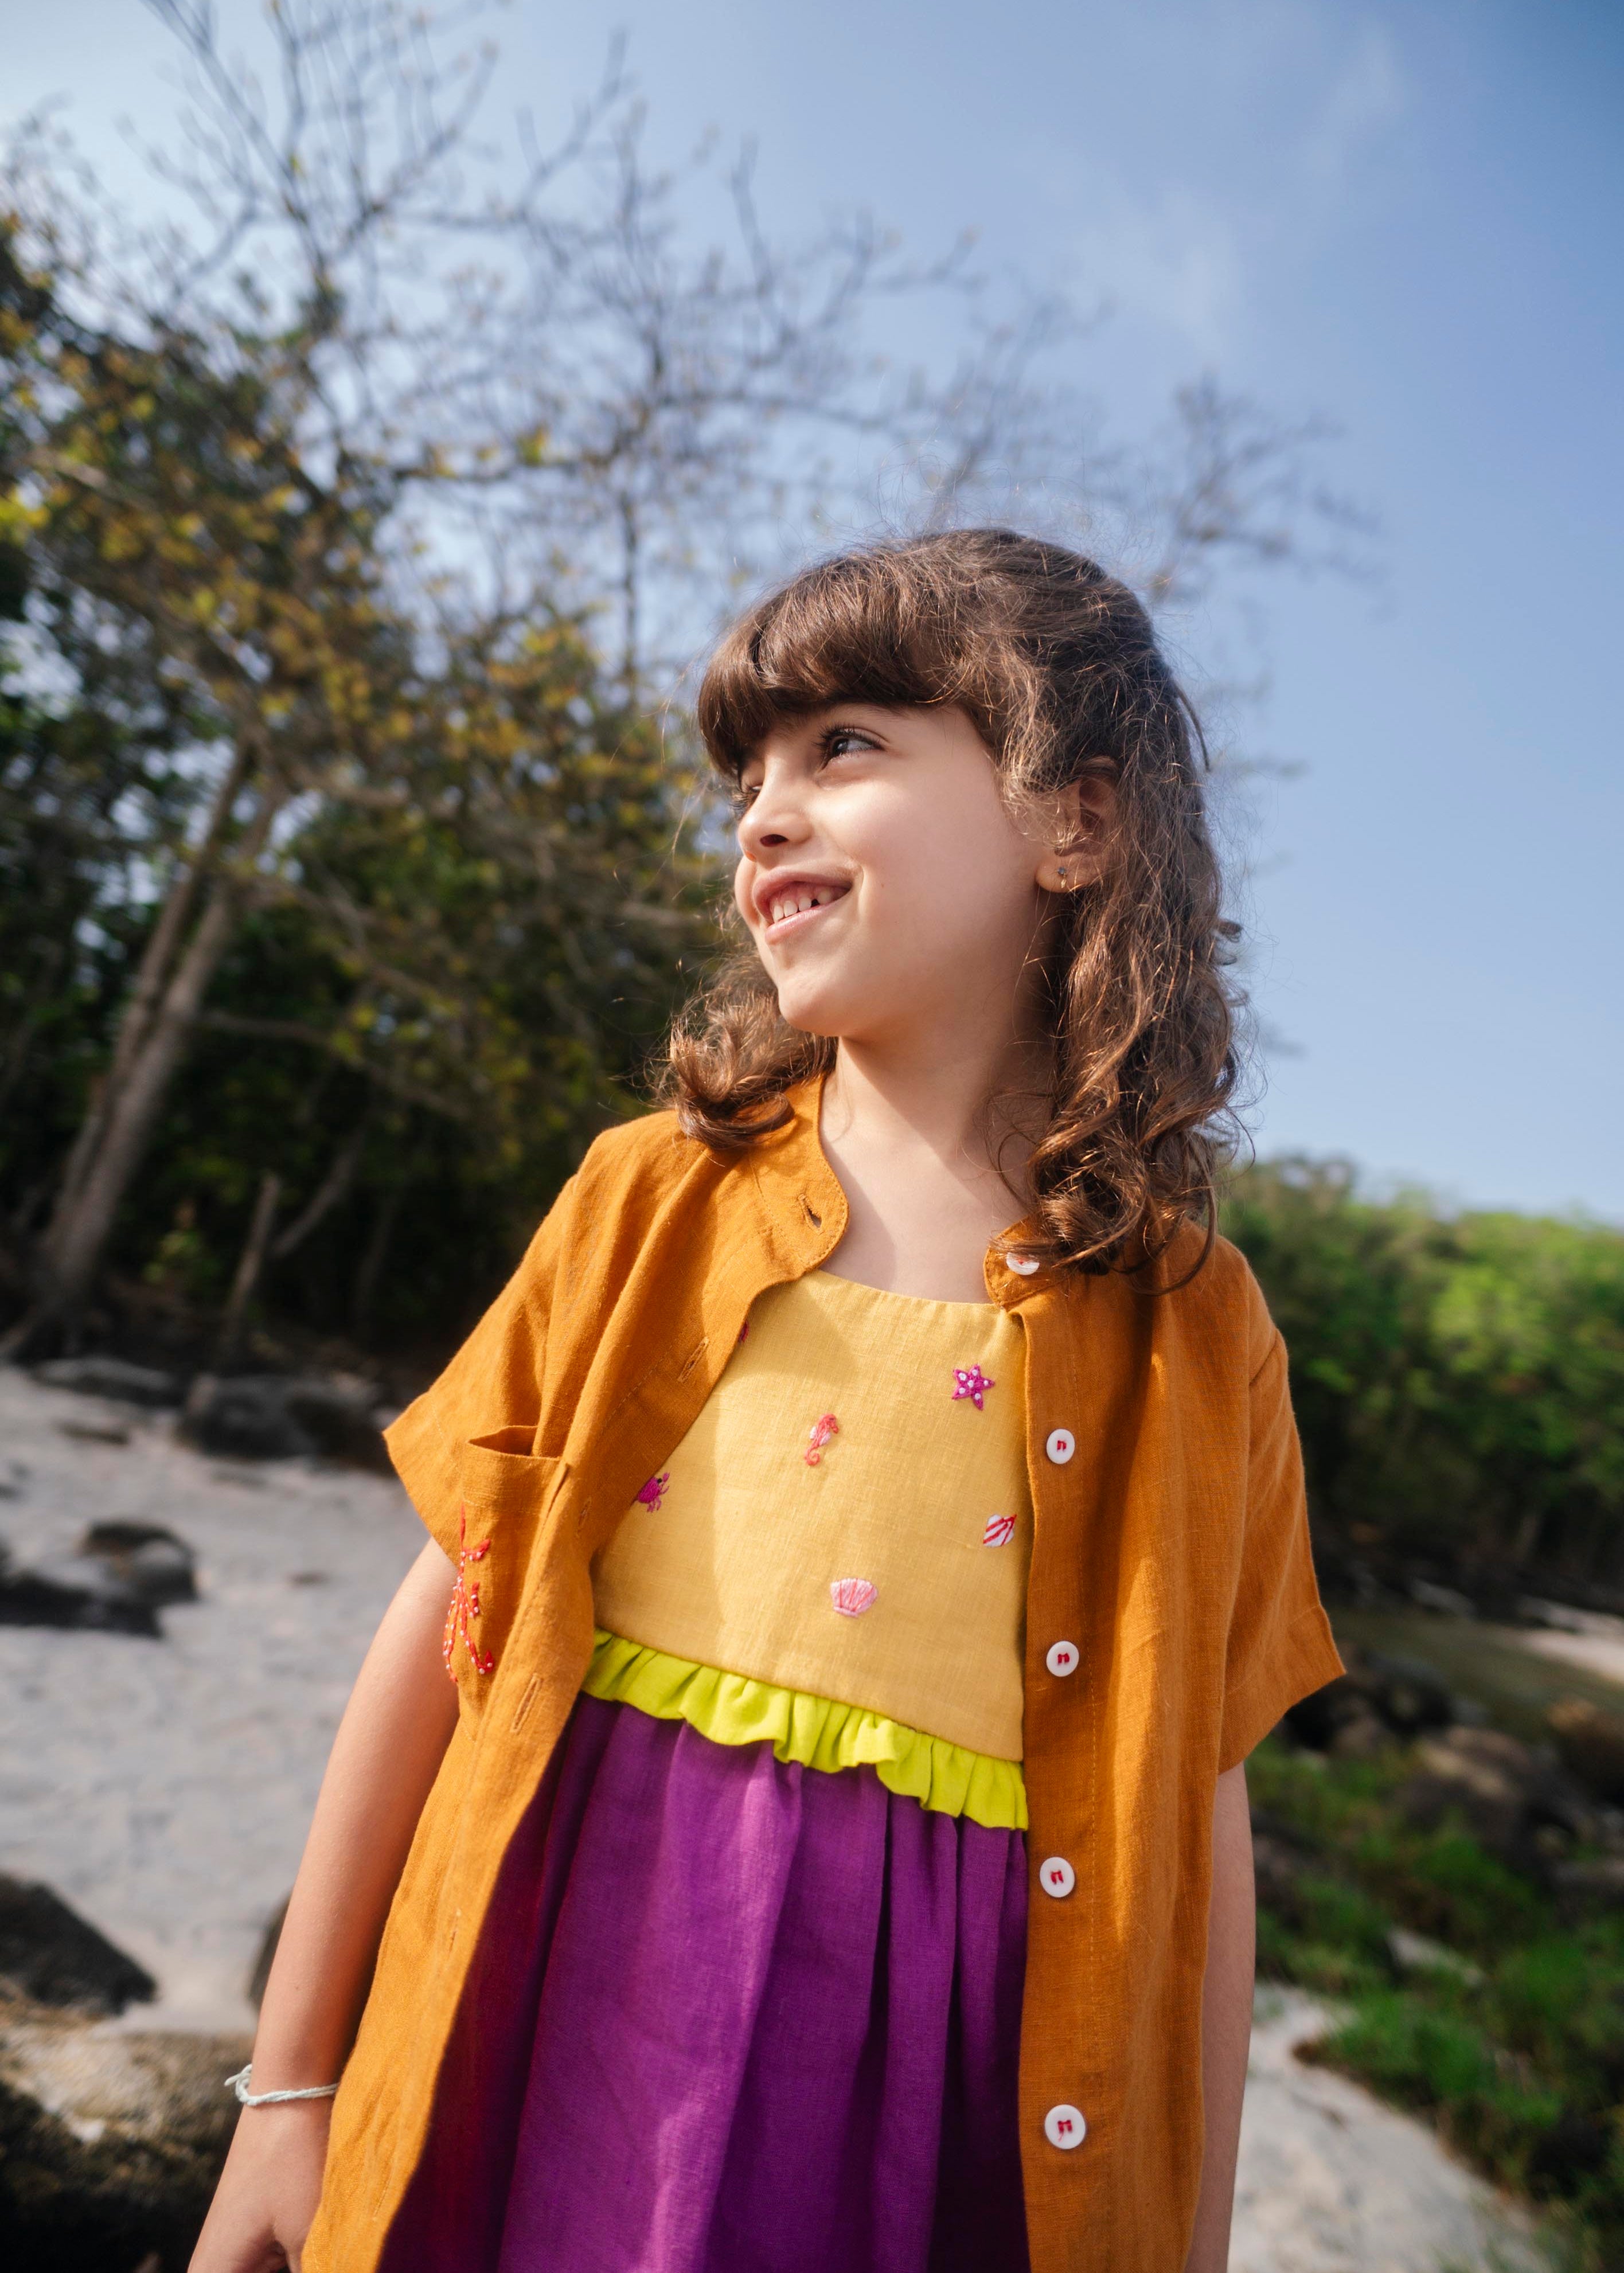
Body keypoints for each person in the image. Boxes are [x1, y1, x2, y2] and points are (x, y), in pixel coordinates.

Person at [191, 529, 1342, 2273]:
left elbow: (1202, 1817)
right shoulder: (647, 1194)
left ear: (1075, 824)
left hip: (933, 2089)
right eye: (750, 774)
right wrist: (288, 2091)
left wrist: (1174, 2232)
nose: (762, 815)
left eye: (846, 747)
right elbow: (447, 1611)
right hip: (574, 1997)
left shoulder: (1202, 1326)